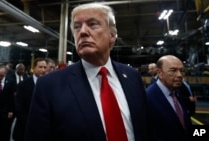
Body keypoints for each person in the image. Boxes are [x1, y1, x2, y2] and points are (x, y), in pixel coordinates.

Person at [25, 3, 150, 141]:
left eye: (93, 24)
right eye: (77, 27)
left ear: (112, 35)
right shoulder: (49, 86)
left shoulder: (132, 77)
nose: (82, 32)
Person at [146, 55, 192, 141]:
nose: (179, 75)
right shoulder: (147, 98)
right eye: (173, 70)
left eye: (182, 71)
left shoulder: (177, 92)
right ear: (160, 73)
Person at [13, 58, 47, 141]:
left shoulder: (49, 85)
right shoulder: (23, 85)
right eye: (40, 67)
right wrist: (30, 122)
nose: (43, 70)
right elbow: (18, 107)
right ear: (33, 68)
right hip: (24, 127)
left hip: (42, 130)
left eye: (45, 67)